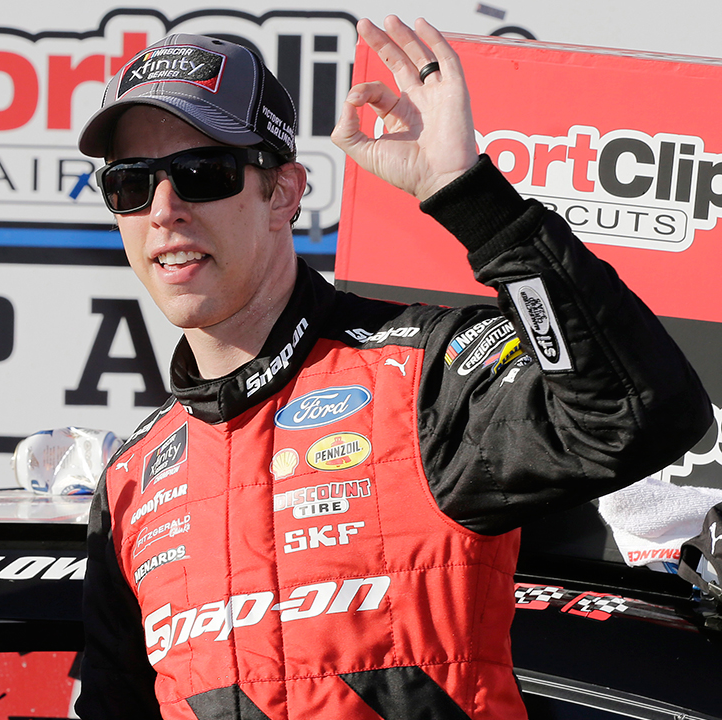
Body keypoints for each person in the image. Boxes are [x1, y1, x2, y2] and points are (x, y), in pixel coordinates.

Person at [74, 17, 711, 720]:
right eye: (130, 184)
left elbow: (640, 413)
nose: (164, 211)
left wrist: (472, 198)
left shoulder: (420, 376)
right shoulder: (133, 481)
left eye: (203, 174)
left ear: (282, 193)